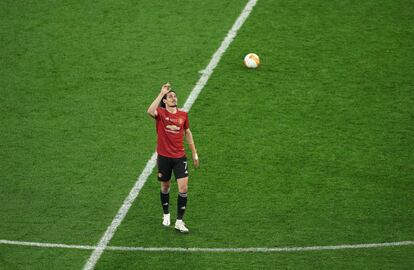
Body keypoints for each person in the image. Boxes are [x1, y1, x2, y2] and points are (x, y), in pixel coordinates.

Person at [147, 83, 199, 233]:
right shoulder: (161, 114)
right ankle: (166, 214)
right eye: (170, 96)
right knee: (165, 187)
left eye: (174, 96)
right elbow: (150, 111)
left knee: (183, 188)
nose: (173, 98)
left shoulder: (183, 115)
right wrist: (161, 93)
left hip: (179, 157)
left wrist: (194, 153)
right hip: (164, 157)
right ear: (164, 101)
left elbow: (188, 133)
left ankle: (179, 221)